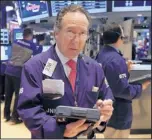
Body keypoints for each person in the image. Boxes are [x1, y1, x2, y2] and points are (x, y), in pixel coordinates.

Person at [17, 5, 114, 139]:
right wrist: (60, 130)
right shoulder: (35, 67)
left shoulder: (94, 68)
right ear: (56, 32)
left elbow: (106, 96)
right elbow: (29, 110)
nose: (77, 40)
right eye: (70, 32)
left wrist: (104, 112)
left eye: (82, 33)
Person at [96, 23, 151, 138]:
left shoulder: (101, 55)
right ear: (118, 38)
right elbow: (122, 91)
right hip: (118, 113)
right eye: (122, 37)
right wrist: (141, 87)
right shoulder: (116, 60)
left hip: (107, 111)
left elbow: (110, 80)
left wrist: (125, 70)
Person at [4, 28, 40, 124]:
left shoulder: (15, 41)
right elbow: (37, 57)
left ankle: (6, 115)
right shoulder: (32, 45)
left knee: (8, 94)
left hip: (8, 70)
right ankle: (14, 118)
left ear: (23, 35)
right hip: (18, 72)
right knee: (18, 95)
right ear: (30, 36)